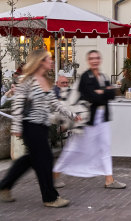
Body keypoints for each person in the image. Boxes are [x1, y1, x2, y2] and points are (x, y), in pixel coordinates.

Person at [0, 50, 78, 207]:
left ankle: (4, 186)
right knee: (45, 161)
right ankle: (50, 197)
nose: (51, 62)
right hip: (30, 126)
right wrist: (16, 126)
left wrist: (71, 114)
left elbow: (54, 103)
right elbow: (17, 104)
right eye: (49, 59)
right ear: (40, 61)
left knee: (30, 160)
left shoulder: (45, 80)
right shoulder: (26, 80)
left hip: (42, 126)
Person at [53, 50, 126, 190]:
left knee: (105, 147)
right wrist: (104, 91)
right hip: (88, 119)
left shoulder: (103, 76)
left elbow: (112, 94)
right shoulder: (86, 77)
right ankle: (54, 174)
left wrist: (102, 92)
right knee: (74, 148)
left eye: (97, 58)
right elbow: (93, 97)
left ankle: (109, 179)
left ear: (100, 59)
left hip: (102, 118)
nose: (95, 60)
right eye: (92, 58)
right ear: (88, 60)